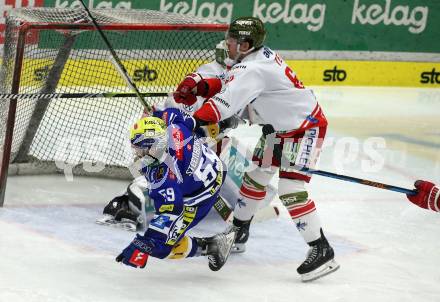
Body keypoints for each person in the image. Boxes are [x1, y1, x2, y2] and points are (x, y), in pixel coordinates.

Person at [173, 17, 339, 282]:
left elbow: (223, 105)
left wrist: (190, 121)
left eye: (232, 40)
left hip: (305, 127)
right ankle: (238, 231)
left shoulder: (253, 69)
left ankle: (321, 250)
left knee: (291, 188)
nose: (227, 43)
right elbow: (228, 82)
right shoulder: (252, 60)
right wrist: (199, 86)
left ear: (245, 44)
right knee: (256, 177)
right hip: (278, 129)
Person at [115, 108, 236, 271]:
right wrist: (155, 115)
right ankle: (222, 127)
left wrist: (143, 244)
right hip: (215, 166)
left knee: (163, 249)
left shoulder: (162, 174)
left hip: (201, 196)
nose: (137, 154)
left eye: (140, 149)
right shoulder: (175, 126)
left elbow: (171, 210)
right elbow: (172, 114)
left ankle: (212, 246)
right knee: (198, 131)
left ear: (152, 147)